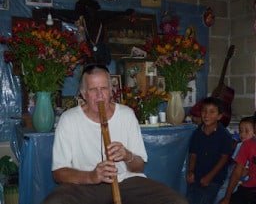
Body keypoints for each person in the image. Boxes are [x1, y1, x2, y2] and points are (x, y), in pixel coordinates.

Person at [42, 64, 187, 204]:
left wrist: (127, 155)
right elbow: (59, 173)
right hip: (84, 185)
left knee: (176, 201)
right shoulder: (69, 119)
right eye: (93, 89)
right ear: (83, 94)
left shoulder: (126, 115)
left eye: (104, 88)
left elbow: (139, 166)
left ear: (111, 91)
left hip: (126, 182)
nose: (100, 96)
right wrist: (92, 176)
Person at [186, 97, 233, 204]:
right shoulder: (197, 133)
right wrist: (191, 171)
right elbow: (193, 154)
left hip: (214, 179)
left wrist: (209, 177)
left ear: (219, 116)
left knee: (204, 200)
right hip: (197, 177)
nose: (206, 115)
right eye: (204, 111)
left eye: (212, 112)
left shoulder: (224, 135)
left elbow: (224, 158)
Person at [214, 116, 255, 204]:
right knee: (222, 193)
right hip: (235, 176)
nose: (242, 134)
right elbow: (235, 165)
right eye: (241, 131)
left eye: (246, 131)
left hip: (247, 180)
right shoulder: (239, 145)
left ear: (255, 133)